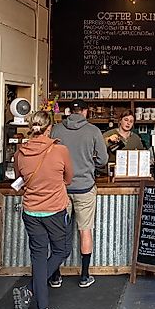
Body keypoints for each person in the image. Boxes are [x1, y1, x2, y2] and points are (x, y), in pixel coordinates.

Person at [12, 110, 73, 309]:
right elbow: (69, 177)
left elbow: (19, 177)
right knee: (61, 250)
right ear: (50, 128)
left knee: (38, 258)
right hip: (55, 210)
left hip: (31, 211)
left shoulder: (20, 153)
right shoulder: (60, 150)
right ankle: (29, 291)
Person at [50, 99, 109, 288]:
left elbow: (49, 154)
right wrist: (88, 161)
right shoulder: (93, 131)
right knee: (85, 230)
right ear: (85, 112)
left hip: (61, 188)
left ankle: (55, 275)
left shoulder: (56, 130)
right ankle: (84, 276)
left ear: (69, 111)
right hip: (85, 187)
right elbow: (103, 160)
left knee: (58, 231)